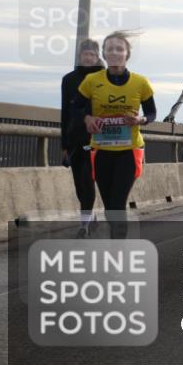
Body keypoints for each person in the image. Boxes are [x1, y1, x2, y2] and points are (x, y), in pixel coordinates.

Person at [77, 31, 155, 239]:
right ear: (103, 53)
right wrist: (88, 119)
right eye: (109, 48)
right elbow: (77, 106)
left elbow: (151, 113)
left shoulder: (140, 82)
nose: (114, 52)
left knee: (118, 204)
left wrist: (140, 120)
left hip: (129, 151)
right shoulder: (92, 81)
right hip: (101, 150)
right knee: (110, 206)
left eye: (119, 49)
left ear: (127, 54)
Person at [60, 39, 104, 237]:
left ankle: (83, 225)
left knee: (87, 180)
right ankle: (90, 216)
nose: (89, 58)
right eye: (86, 54)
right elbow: (65, 112)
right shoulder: (69, 79)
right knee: (79, 184)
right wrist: (64, 144)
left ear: (97, 57)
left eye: (92, 55)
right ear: (80, 56)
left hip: (97, 139)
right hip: (74, 138)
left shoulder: (104, 78)